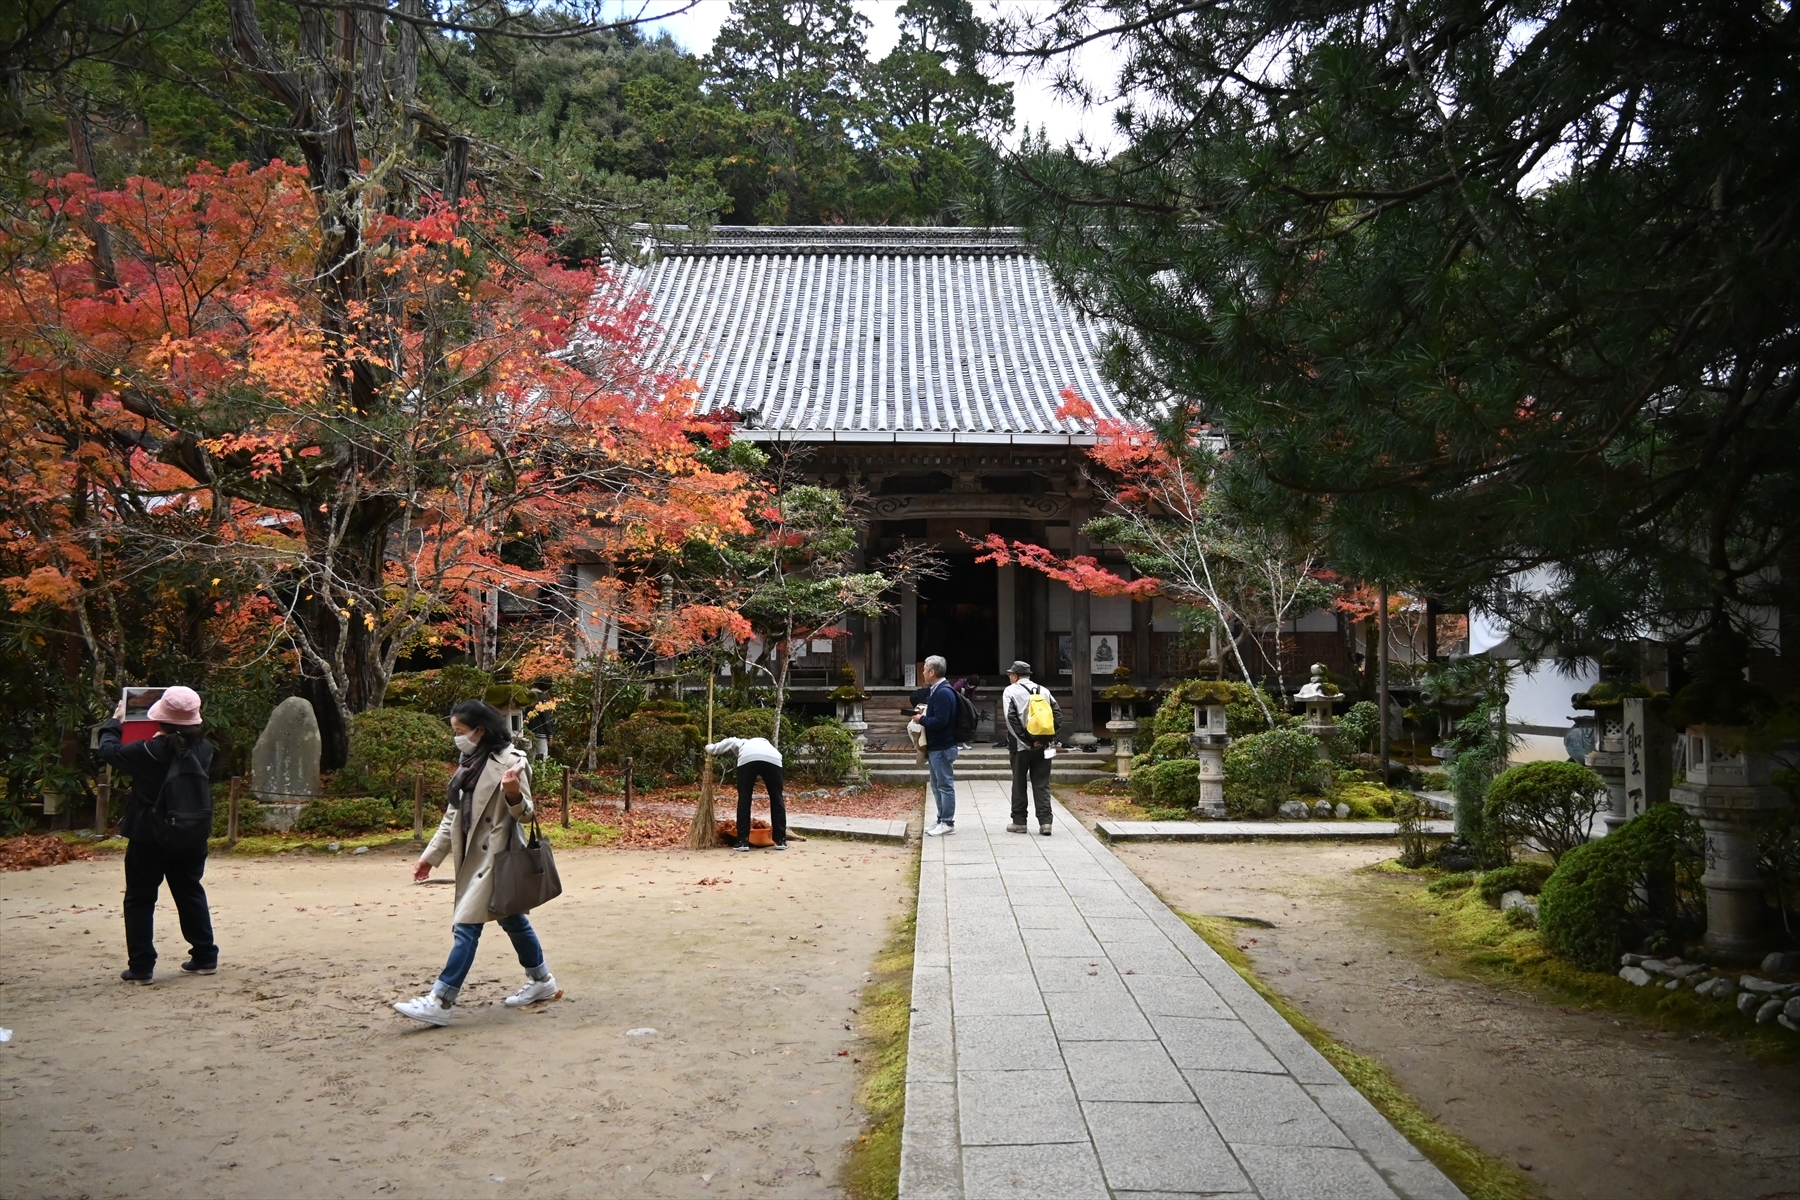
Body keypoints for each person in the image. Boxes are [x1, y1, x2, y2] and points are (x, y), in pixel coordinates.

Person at [394, 699, 559, 1026]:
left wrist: (513, 793)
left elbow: (526, 815)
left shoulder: (512, 762)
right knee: (512, 919)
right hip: (471, 855)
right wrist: (430, 857)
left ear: (480, 731)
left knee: (466, 925)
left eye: (460, 731)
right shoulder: (468, 762)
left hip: (497, 857)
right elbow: (452, 816)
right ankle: (541, 980)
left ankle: (441, 1000)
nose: (457, 737)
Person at [97, 686, 218, 983]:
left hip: (148, 833)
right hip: (191, 831)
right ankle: (204, 955)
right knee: (190, 891)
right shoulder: (205, 749)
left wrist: (116, 721)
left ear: (161, 719)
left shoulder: (148, 751)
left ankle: (141, 966)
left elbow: (109, 750)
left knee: (140, 898)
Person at [1001, 661, 1061, 836]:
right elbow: (1057, 714)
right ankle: (1045, 822)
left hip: (1020, 746)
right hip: (1043, 745)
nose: (1010, 677)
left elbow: (1010, 719)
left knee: (1019, 782)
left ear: (1016, 675)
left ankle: (1019, 822)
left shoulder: (1010, 691)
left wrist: (1026, 741)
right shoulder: (1044, 690)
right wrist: (1048, 738)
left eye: (1011, 674)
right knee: (1042, 784)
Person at [704, 734, 786, 852]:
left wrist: (711, 748)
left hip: (748, 758)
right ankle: (780, 840)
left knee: (745, 797)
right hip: (773, 759)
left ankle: (742, 841)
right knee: (777, 797)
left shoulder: (744, 742)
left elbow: (730, 741)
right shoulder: (770, 747)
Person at [918, 655, 959, 836]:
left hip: (943, 745)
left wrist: (921, 719)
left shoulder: (943, 692)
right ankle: (941, 818)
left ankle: (947, 822)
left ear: (932, 672)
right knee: (936, 785)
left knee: (944, 784)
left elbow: (941, 721)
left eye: (925, 669)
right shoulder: (938, 689)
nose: (923, 672)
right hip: (937, 746)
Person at [527, 677, 555, 762]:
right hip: (540, 732)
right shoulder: (543, 697)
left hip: (527, 731)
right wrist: (549, 735)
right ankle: (541, 775)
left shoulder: (527, 695)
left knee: (530, 756)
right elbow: (546, 718)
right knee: (542, 756)